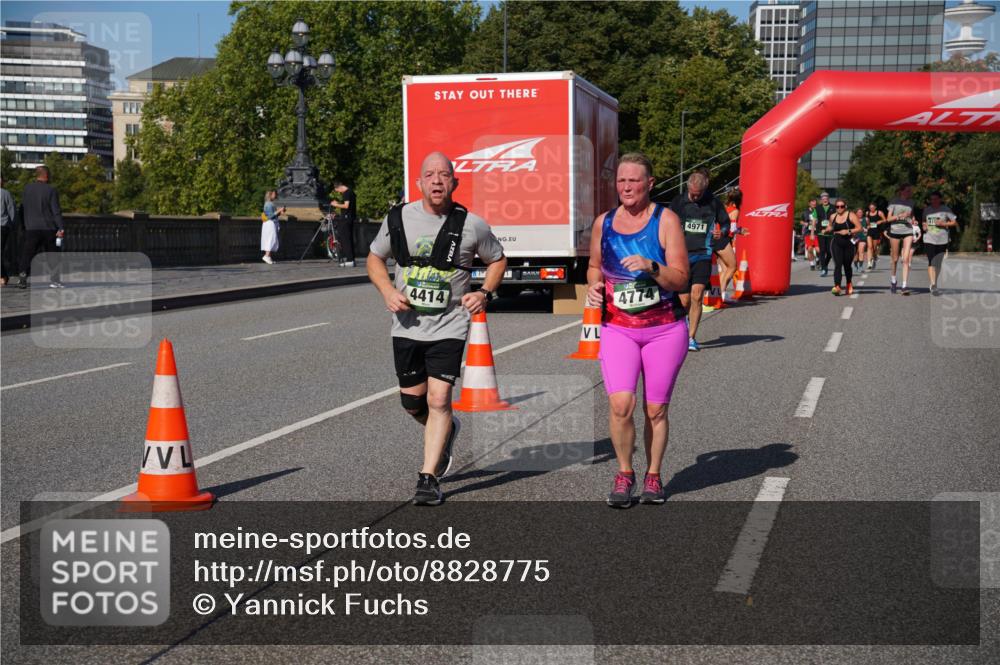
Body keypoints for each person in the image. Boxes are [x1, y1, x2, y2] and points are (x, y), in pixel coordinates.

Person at [367, 152, 506, 506]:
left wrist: (485, 293)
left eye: (444, 175)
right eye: (430, 175)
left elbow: (497, 259)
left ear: (454, 183)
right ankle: (447, 432)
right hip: (407, 326)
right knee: (412, 403)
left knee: (439, 398)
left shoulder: (472, 224)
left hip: (450, 324)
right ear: (419, 183)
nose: (437, 181)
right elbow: (374, 258)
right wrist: (387, 290)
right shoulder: (398, 217)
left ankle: (428, 478)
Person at [587, 152, 688, 508]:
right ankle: (625, 472)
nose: (626, 187)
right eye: (621, 181)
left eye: (633, 181)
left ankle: (654, 476)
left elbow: (681, 278)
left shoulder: (666, 221)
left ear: (649, 184)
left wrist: (652, 266)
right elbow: (594, 266)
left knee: (656, 410)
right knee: (620, 405)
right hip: (619, 328)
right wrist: (594, 284)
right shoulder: (604, 223)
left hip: (664, 329)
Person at [670, 170, 729, 352]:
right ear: (688, 187)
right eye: (692, 193)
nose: (695, 197)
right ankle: (680, 331)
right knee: (684, 301)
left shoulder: (713, 202)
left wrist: (722, 232)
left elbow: (726, 223)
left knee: (697, 295)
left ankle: (691, 338)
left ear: (705, 189)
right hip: (680, 256)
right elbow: (665, 223)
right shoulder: (678, 202)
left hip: (703, 254)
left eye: (699, 194)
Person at [16, 165, 64, 289]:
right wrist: (61, 228)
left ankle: (23, 276)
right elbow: (56, 211)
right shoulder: (51, 190)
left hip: (31, 228)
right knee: (52, 255)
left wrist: (23, 225)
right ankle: (55, 280)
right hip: (48, 228)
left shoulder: (27, 189)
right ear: (47, 176)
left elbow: (22, 208)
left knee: (27, 253)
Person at [921, 191, 957, 296]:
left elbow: (954, 222)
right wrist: (924, 226)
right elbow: (923, 222)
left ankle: (934, 282)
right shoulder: (927, 210)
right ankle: (933, 285)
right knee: (931, 261)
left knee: (938, 263)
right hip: (929, 239)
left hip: (942, 239)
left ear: (940, 199)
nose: (933, 201)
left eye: (936, 199)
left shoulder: (946, 209)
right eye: (932, 199)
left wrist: (943, 223)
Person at [886, 183, 916, 295]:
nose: (910, 193)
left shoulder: (911, 203)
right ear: (902, 191)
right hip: (895, 231)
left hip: (908, 231)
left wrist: (914, 220)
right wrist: (899, 216)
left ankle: (904, 285)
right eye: (908, 191)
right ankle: (893, 280)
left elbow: (912, 216)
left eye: (910, 191)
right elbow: (888, 219)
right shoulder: (894, 202)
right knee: (895, 259)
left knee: (906, 259)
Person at [829, 198, 861, 296]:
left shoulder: (851, 215)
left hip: (849, 243)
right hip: (836, 243)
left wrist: (848, 231)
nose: (839, 208)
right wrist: (825, 230)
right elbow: (830, 226)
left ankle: (848, 283)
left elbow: (859, 228)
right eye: (837, 206)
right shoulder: (832, 216)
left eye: (841, 206)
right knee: (838, 265)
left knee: (847, 265)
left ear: (845, 207)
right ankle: (837, 286)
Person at [716, 188, 743, 302]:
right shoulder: (735, 211)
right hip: (724, 240)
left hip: (716, 238)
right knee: (732, 267)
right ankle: (721, 293)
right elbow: (732, 229)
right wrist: (741, 231)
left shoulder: (723, 207)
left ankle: (720, 294)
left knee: (724, 268)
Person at [330, 181, 357, 267]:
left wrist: (336, 204)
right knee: (347, 238)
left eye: (337, 190)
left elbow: (346, 206)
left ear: (339, 187)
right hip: (348, 218)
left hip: (346, 219)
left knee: (345, 239)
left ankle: (350, 260)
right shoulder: (351, 192)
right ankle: (351, 259)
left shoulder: (346, 193)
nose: (338, 192)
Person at [260, 190, 284, 264]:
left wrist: (279, 212)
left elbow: (273, 215)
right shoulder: (268, 204)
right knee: (270, 239)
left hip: (270, 223)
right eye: (274, 194)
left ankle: (268, 256)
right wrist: (279, 210)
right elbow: (270, 216)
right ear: (270, 195)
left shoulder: (270, 204)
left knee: (271, 239)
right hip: (270, 223)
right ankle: (266, 255)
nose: (275, 195)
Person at [816, 192, 835, 277]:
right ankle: (823, 269)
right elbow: (814, 220)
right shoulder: (817, 208)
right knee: (822, 251)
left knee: (830, 252)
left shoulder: (833, 207)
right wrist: (812, 232)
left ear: (828, 198)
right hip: (820, 232)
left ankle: (825, 265)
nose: (825, 199)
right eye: (823, 198)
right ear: (821, 199)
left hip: (831, 233)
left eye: (826, 198)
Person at [1, 179, 15, 286]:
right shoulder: (6, 193)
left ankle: (3, 275)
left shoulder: (5, 193)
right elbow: (12, 211)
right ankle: (3, 275)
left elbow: (11, 210)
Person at [864, 202, 885, 271]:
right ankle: (869, 262)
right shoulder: (867, 213)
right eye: (870, 208)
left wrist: (880, 221)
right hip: (870, 231)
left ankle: (874, 257)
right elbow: (867, 222)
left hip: (876, 232)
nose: (871, 209)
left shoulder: (879, 213)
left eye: (873, 208)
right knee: (869, 246)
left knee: (874, 248)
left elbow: (885, 220)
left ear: (875, 207)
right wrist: (867, 222)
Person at [802, 198, 820, 270]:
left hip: (817, 232)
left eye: (815, 204)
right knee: (810, 249)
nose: (814, 205)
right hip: (808, 232)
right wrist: (805, 223)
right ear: (809, 204)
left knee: (818, 250)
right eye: (812, 204)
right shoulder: (805, 212)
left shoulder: (818, 211)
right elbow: (801, 221)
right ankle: (812, 264)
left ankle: (818, 259)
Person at [853, 207, 867, 272]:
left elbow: (869, 226)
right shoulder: (853, 220)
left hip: (863, 237)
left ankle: (861, 266)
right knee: (855, 252)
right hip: (854, 237)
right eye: (858, 212)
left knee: (861, 251)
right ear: (856, 213)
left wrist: (866, 229)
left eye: (861, 212)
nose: (860, 213)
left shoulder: (866, 219)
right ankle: (855, 265)